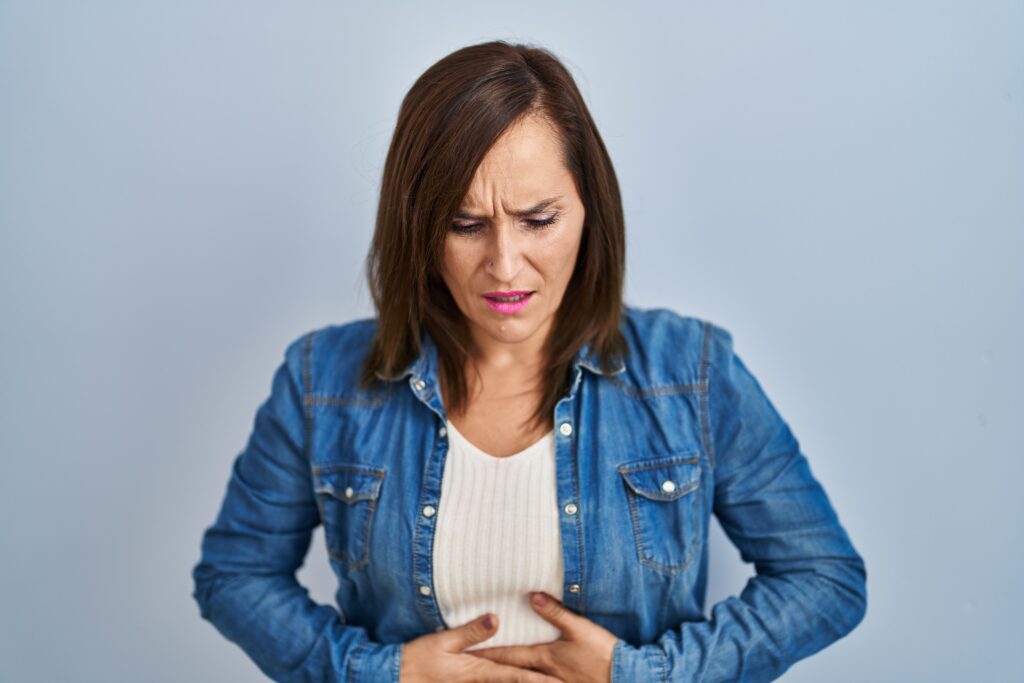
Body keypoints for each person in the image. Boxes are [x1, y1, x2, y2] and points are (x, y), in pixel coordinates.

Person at [191, 40, 867, 683]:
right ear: (418, 227)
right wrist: (382, 672)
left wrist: (639, 674)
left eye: (538, 219)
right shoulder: (321, 379)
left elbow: (825, 578)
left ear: (588, 212)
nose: (505, 266)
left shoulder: (692, 371)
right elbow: (233, 573)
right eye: (465, 224)